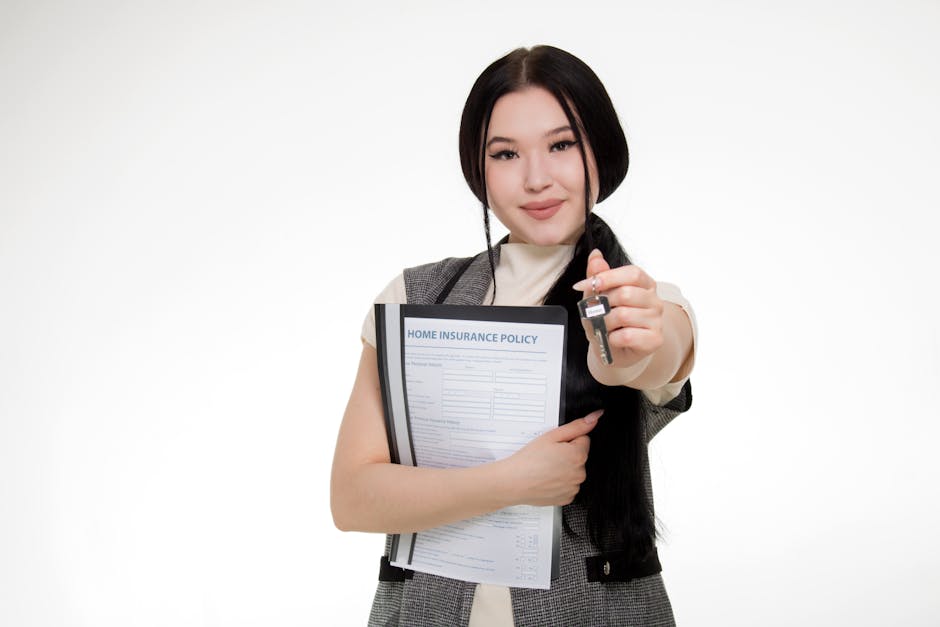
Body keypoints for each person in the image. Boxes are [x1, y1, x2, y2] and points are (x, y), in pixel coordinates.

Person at [331, 45, 697, 627]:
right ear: (480, 169)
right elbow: (351, 498)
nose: (535, 178)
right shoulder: (412, 297)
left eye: (561, 145)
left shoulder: (646, 300)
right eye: (506, 153)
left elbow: (654, 357)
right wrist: (509, 482)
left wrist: (627, 353)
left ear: (598, 150)